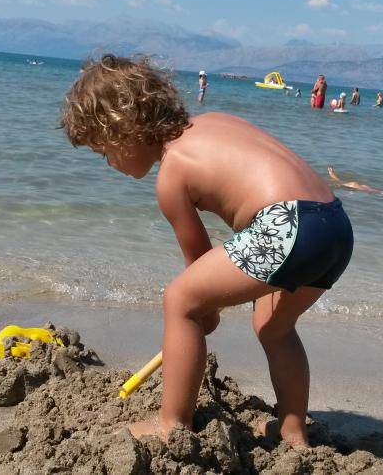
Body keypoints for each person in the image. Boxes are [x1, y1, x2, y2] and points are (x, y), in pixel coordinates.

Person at [61, 55, 353, 447]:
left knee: (179, 300)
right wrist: (208, 305)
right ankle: (292, 430)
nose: (109, 164)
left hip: (287, 225)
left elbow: (197, 263)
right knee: (274, 326)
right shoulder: (213, 121)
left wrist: (202, 312)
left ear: (124, 128)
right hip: (334, 226)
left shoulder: (172, 172)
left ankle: (172, 423)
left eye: (105, 152)